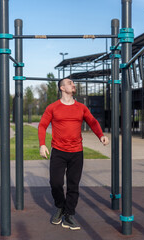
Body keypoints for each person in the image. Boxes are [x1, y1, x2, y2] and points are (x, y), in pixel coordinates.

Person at [38, 78, 109, 230]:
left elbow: (92, 121)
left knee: (73, 186)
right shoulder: (53, 107)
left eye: (73, 83)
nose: (73, 84)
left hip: (77, 152)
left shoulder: (81, 107)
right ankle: (60, 206)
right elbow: (43, 125)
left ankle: (69, 215)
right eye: (69, 83)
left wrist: (101, 135)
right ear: (62, 88)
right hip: (58, 151)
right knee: (55, 183)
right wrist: (42, 144)